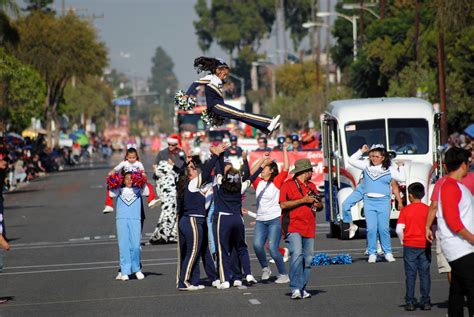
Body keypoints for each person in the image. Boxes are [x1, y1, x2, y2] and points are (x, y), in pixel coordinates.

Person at [342, 144, 405, 263]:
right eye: (372, 156)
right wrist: (361, 151)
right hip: (369, 201)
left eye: (377, 156)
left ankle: (388, 253)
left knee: (384, 229)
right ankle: (372, 253)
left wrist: (401, 167)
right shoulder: (366, 165)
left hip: (383, 202)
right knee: (371, 229)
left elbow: (402, 178)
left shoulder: (389, 169)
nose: (374, 159)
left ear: (383, 158)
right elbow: (351, 160)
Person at [176, 144, 227, 290]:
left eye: (194, 167)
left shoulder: (199, 185)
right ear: (189, 175)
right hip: (192, 220)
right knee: (192, 252)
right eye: (191, 169)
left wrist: (218, 156)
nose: (194, 169)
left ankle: (202, 279)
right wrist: (215, 155)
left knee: (200, 250)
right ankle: (184, 282)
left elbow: (215, 173)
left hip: (195, 220)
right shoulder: (192, 184)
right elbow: (206, 172)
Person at [185, 57, 280, 134]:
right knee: (242, 114)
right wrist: (187, 95)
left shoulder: (218, 80)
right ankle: (269, 121)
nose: (225, 76)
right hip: (216, 106)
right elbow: (195, 83)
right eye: (224, 73)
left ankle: (265, 128)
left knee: (241, 117)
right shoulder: (210, 78)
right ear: (218, 70)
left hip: (219, 105)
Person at [213, 150, 262, 289]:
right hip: (238, 219)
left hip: (223, 219)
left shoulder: (220, 184)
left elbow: (218, 169)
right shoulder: (240, 186)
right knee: (242, 248)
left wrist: (219, 155)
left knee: (223, 250)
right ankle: (248, 273)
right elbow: (251, 177)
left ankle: (225, 279)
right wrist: (262, 166)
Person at [436, 147, 474, 317]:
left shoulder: (454, 185)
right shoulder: (450, 186)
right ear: (464, 165)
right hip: (461, 248)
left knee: (457, 292)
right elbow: (453, 221)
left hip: (462, 247)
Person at [279, 158, 323, 300]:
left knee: (308, 259)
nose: (312, 172)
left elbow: (320, 206)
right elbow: (283, 205)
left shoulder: (312, 186)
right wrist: (303, 200)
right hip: (292, 225)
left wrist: (316, 202)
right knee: (297, 254)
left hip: (309, 226)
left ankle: (302, 287)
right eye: (310, 170)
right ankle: (295, 288)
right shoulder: (288, 185)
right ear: (305, 171)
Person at [250, 145, 290, 284]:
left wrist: (285, 150)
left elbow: (286, 168)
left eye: (266, 168)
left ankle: (283, 274)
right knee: (256, 245)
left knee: (273, 248)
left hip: (274, 219)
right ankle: (265, 268)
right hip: (261, 220)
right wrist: (263, 160)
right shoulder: (257, 183)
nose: (263, 170)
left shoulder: (277, 181)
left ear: (271, 171)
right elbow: (252, 171)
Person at [396, 182, 431, 311]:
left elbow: (399, 229)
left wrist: (403, 240)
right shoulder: (427, 209)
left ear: (410, 196)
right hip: (424, 244)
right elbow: (433, 226)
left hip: (410, 244)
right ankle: (425, 300)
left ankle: (410, 300)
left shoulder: (405, 210)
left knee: (410, 274)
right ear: (423, 194)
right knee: (424, 273)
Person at [109, 172, 149, 281]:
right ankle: (125, 271)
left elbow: (147, 191)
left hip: (135, 219)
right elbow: (111, 194)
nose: (129, 181)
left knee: (136, 245)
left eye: (131, 179)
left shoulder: (139, 189)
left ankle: (137, 269)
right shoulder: (119, 190)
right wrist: (113, 180)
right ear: (123, 180)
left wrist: (142, 179)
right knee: (123, 246)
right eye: (127, 179)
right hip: (121, 219)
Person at [149, 135, 186, 245]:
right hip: (165, 187)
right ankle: (162, 234)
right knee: (167, 209)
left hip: (177, 185)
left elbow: (182, 169)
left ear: (177, 144)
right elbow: (155, 167)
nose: (170, 146)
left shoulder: (181, 153)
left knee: (176, 210)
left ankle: (172, 234)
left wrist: (172, 165)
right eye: (169, 144)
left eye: (173, 145)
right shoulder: (162, 153)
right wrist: (156, 170)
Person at [102, 147, 159, 213]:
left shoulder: (138, 163)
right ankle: (109, 205)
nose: (132, 159)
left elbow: (143, 171)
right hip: (125, 181)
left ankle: (151, 200)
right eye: (130, 158)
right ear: (126, 157)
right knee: (110, 186)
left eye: (133, 158)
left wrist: (143, 175)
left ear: (136, 156)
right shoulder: (124, 163)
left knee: (149, 186)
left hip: (135, 181)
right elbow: (116, 168)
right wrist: (112, 172)